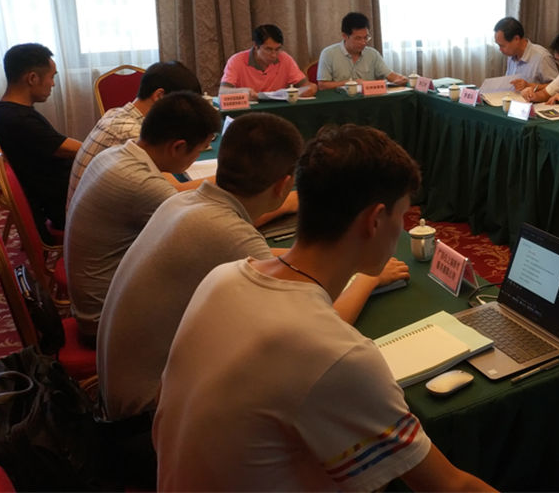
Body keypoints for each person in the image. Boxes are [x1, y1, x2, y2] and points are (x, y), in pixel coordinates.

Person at [153, 124, 494, 491]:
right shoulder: (338, 355)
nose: (402, 229)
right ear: (375, 220)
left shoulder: (222, 277)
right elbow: (450, 487)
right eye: (402, 216)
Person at [98, 112, 410, 423]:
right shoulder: (227, 234)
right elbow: (323, 325)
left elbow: (271, 259)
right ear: (284, 185)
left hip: (126, 389)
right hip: (144, 415)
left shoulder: (185, 203)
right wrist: (367, 277)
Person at [64, 91, 221, 344]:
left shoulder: (116, 154)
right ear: (178, 147)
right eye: (200, 150)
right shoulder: (141, 183)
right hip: (104, 323)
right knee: (224, 298)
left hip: (96, 301)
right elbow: (214, 230)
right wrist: (285, 204)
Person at [67, 60, 201, 206]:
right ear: (160, 96)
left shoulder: (116, 112)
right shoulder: (130, 133)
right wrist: (219, 179)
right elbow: (175, 193)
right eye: (186, 107)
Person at [0, 43, 81, 238]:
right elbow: (77, 150)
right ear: (32, 78)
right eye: (52, 77)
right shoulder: (19, 120)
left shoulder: (10, 112)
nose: (53, 84)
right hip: (65, 207)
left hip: (64, 196)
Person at [220, 24, 316, 100]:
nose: (274, 55)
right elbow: (223, 91)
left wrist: (309, 89)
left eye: (277, 49)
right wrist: (244, 92)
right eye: (268, 49)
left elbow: (307, 86)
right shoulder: (236, 61)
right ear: (256, 46)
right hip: (248, 113)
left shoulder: (285, 58)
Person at [317, 12, 406, 89]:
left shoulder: (372, 54)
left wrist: (400, 79)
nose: (363, 42)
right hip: (341, 101)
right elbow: (322, 85)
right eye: (358, 38)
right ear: (344, 36)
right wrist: (352, 83)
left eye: (366, 37)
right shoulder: (328, 54)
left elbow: (390, 75)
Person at [493, 16, 559, 92]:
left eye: (502, 46)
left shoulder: (542, 57)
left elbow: (558, 87)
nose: (500, 49)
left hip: (534, 99)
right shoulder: (511, 55)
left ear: (516, 39)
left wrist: (530, 86)